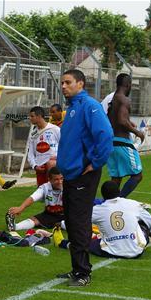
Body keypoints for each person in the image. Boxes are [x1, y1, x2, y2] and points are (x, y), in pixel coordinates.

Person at [56, 69, 113, 287]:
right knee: (71, 221)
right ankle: (77, 268)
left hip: (83, 175)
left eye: (68, 82)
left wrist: (95, 162)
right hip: (71, 175)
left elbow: (106, 135)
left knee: (79, 222)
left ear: (80, 84)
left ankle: (82, 273)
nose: (63, 86)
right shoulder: (72, 108)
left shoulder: (90, 105)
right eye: (62, 82)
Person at [107, 73, 145, 198]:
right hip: (122, 142)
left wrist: (129, 123)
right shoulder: (124, 99)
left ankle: (109, 202)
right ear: (128, 85)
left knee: (116, 178)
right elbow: (122, 121)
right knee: (137, 175)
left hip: (112, 143)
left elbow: (112, 119)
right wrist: (137, 132)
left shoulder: (113, 99)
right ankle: (120, 199)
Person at [6, 167, 64, 231]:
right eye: (56, 179)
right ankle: (14, 227)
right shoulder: (45, 187)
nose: (60, 182)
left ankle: (60, 224)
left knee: (73, 222)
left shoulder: (69, 187)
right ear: (49, 180)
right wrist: (20, 208)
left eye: (61, 179)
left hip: (67, 215)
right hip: (50, 214)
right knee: (34, 220)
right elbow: (32, 198)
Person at [27, 106, 60, 186]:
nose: (29, 118)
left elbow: (65, 146)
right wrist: (35, 166)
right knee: (43, 194)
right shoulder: (33, 134)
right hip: (40, 168)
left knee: (54, 192)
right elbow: (30, 153)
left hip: (53, 166)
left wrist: (58, 157)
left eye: (32, 116)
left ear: (39, 116)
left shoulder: (55, 129)